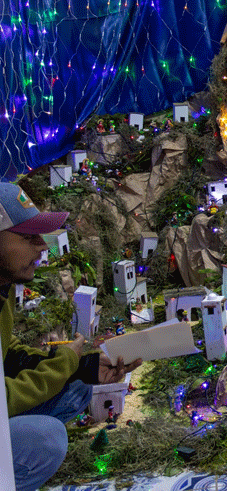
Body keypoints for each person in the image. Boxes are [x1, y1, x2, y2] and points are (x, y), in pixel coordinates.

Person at [0, 182, 142, 491]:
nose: (42, 246)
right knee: (45, 439)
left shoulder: (4, 288)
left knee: (78, 387)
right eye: (28, 237)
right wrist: (64, 362)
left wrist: (83, 365)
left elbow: (7, 355)